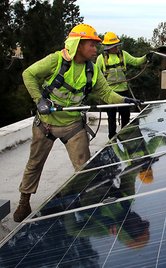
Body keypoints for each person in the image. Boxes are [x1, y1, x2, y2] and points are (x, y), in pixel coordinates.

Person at [13, 23, 142, 222]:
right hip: (45, 124)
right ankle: (24, 200)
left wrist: (125, 100)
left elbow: (106, 93)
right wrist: (39, 100)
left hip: (72, 126)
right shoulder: (55, 61)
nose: (96, 49)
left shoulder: (92, 70)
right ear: (78, 45)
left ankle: (85, 203)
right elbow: (28, 74)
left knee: (85, 168)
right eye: (92, 44)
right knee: (35, 163)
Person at [96, 31, 153, 139]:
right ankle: (112, 138)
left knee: (125, 116)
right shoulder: (101, 59)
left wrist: (146, 57)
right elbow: (96, 74)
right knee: (111, 117)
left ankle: (125, 136)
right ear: (108, 47)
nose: (117, 47)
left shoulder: (123, 55)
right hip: (110, 93)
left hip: (124, 91)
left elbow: (136, 61)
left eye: (117, 45)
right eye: (114, 45)